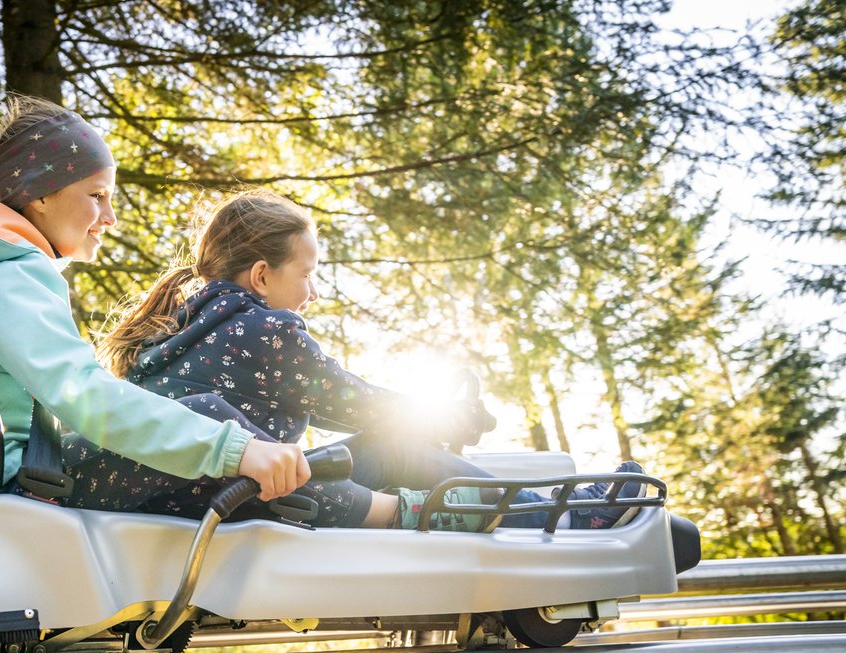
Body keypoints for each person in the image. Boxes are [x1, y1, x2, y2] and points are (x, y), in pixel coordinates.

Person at [96, 188, 645, 530]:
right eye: (306, 274)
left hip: (187, 497)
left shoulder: (176, 326)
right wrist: (449, 418)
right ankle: (567, 516)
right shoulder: (263, 328)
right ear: (262, 275)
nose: (312, 294)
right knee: (398, 446)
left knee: (390, 448)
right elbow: (359, 405)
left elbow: (332, 405)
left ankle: (545, 508)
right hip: (247, 497)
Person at [0, 96, 309, 509]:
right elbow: (81, 392)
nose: (110, 216)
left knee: (215, 429)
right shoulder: (3, 277)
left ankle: (343, 498)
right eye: (97, 195)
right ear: (40, 195)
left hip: (1, 465)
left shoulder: (4, 268)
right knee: (214, 423)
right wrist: (236, 450)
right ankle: (362, 508)